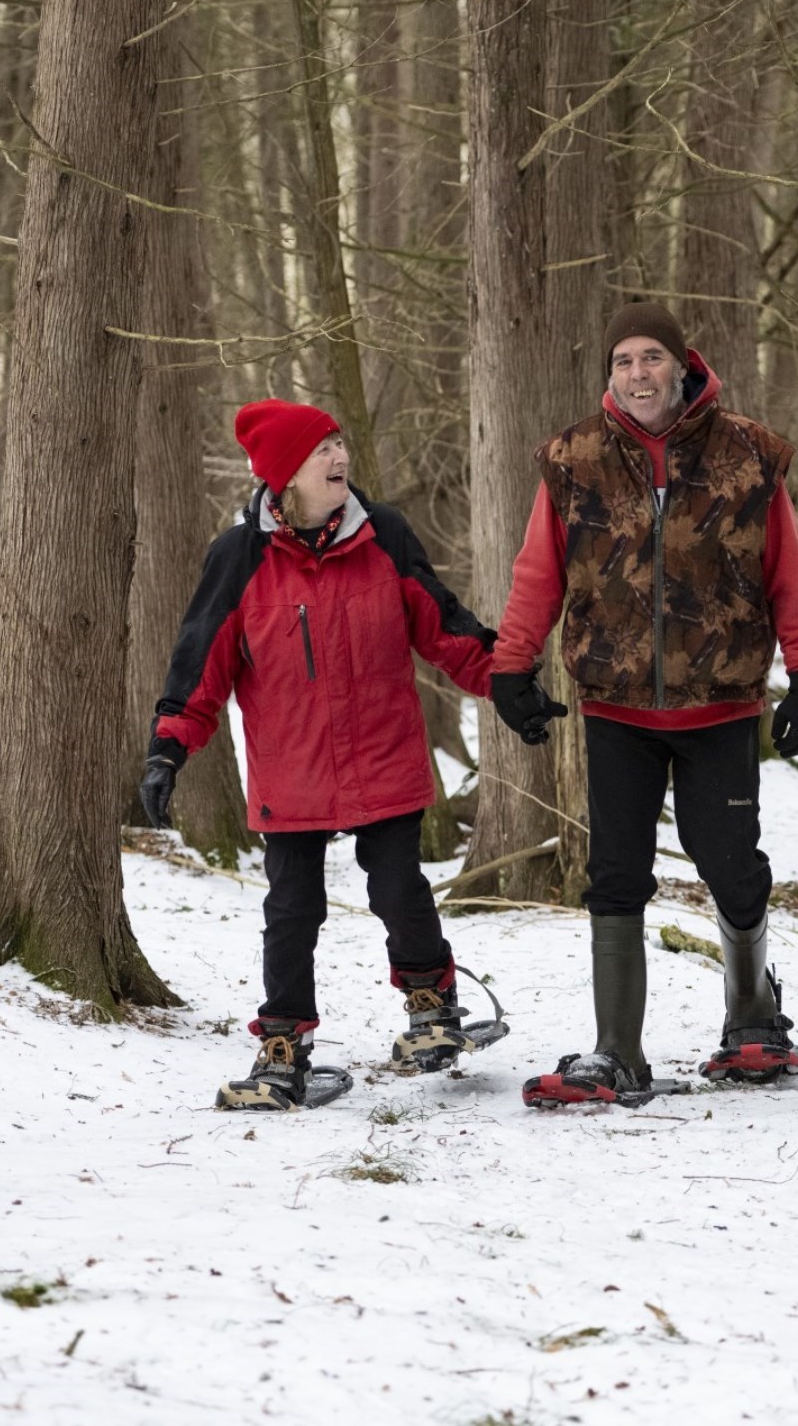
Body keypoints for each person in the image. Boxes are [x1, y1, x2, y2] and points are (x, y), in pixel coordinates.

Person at [491, 302, 798, 1108]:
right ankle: (619, 1051)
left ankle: (754, 1017)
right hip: (615, 707)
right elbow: (540, 573)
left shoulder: (748, 456)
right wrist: (512, 667)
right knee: (615, 874)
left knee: (730, 864)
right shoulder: (572, 460)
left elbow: (791, 575)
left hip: (719, 705)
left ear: (681, 365)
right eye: (622, 361)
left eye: (651, 358)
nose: (637, 374)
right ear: (609, 374)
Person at [141, 398, 499, 1111]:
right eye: (320, 450)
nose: (339, 457)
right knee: (292, 908)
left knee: (398, 886)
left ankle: (432, 1005)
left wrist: (509, 681)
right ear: (284, 477)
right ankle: (282, 1046)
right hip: (293, 768)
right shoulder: (238, 557)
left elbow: (444, 627)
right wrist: (169, 749)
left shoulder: (384, 534)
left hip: (383, 755)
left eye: (339, 442)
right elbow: (200, 665)